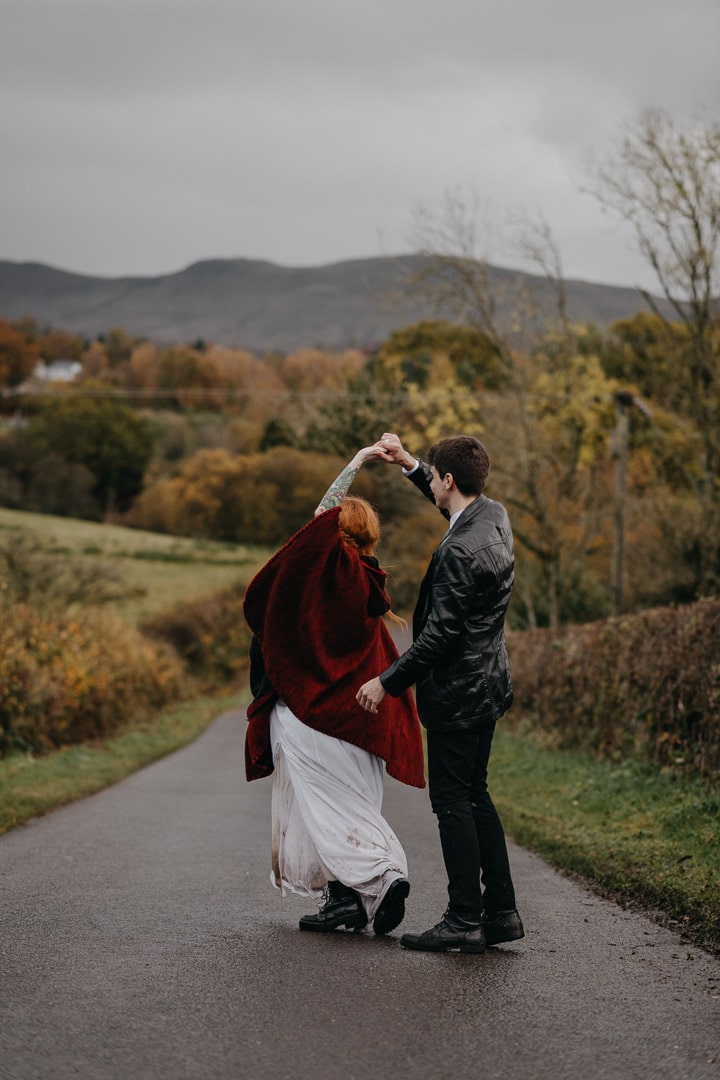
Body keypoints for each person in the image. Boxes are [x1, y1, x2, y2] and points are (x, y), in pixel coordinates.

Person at [243, 445, 425, 938]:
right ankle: (343, 902)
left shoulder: (321, 574)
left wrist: (361, 458)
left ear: (331, 534)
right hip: (360, 720)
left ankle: (383, 874)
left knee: (323, 805)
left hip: (311, 714)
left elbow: (320, 516)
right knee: (345, 802)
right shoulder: (367, 584)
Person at [356, 433, 524, 954]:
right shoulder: (492, 516)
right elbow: (448, 508)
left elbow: (437, 638)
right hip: (489, 681)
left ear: (449, 480)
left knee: (452, 800)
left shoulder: (456, 552)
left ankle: (463, 919)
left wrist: (386, 682)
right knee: (477, 794)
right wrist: (408, 463)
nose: (430, 480)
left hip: (457, 692)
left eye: (432, 473)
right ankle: (501, 913)